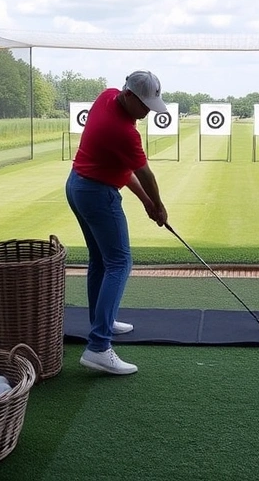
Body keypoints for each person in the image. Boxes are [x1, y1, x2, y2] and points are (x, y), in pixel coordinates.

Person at [65, 70, 169, 374]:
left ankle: (103, 322)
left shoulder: (106, 96)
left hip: (77, 186)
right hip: (97, 194)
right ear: (129, 96)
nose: (149, 112)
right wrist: (158, 205)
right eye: (146, 105)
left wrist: (147, 203)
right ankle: (99, 346)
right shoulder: (125, 132)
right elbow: (145, 174)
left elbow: (121, 169)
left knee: (100, 260)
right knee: (120, 262)